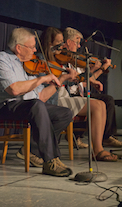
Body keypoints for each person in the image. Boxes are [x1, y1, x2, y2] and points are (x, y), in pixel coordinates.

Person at [0, 27, 80, 177]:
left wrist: (61, 79)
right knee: (36, 106)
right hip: (3, 107)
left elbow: (41, 96)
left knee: (64, 113)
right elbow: (14, 90)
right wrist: (42, 79)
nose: (35, 50)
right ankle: (50, 160)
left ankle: (33, 151)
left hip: (26, 106)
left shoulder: (26, 65)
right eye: (31, 47)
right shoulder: (1, 60)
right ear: (19, 47)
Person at [35, 26, 117, 162]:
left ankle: (99, 147)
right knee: (97, 105)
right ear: (50, 44)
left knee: (102, 104)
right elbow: (48, 84)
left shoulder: (60, 59)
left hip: (63, 95)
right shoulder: (40, 60)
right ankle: (98, 150)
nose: (62, 46)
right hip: (53, 98)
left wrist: (74, 77)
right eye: (59, 43)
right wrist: (67, 78)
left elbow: (73, 81)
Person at [63, 27, 122, 148]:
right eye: (77, 41)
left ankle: (105, 136)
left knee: (108, 99)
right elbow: (80, 81)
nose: (79, 46)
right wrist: (95, 69)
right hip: (70, 94)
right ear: (68, 42)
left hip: (79, 92)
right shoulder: (63, 60)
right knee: (101, 102)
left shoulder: (77, 61)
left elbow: (85, 80)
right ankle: (83, 136)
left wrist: (100, 69)